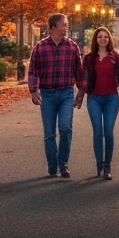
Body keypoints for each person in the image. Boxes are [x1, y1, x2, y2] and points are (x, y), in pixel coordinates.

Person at [28, 13, 84, 178]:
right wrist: (33, 90)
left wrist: (81, 92)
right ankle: (52, 166)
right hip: (48, 94)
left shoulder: (72, 47)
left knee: (66, 129)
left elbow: (79, 72)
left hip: (66, 93)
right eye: (63, 25)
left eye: (66, 24)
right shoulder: (40, 47)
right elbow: (33, 71)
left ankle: (63, 163)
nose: (66, 27)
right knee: (49, 133)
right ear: (52, 27)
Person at [76, 26, 119, 180]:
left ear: (109, 39)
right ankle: (99, 164)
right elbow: (85, 80)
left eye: (106, 37)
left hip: (111, 99)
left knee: (108, 132)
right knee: (98, 132)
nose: (103, 39)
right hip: (94, 99)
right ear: (96, 40)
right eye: (100, 37)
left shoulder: (115, 57)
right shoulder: (89, 59)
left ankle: (107, 166)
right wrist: (79, 97)